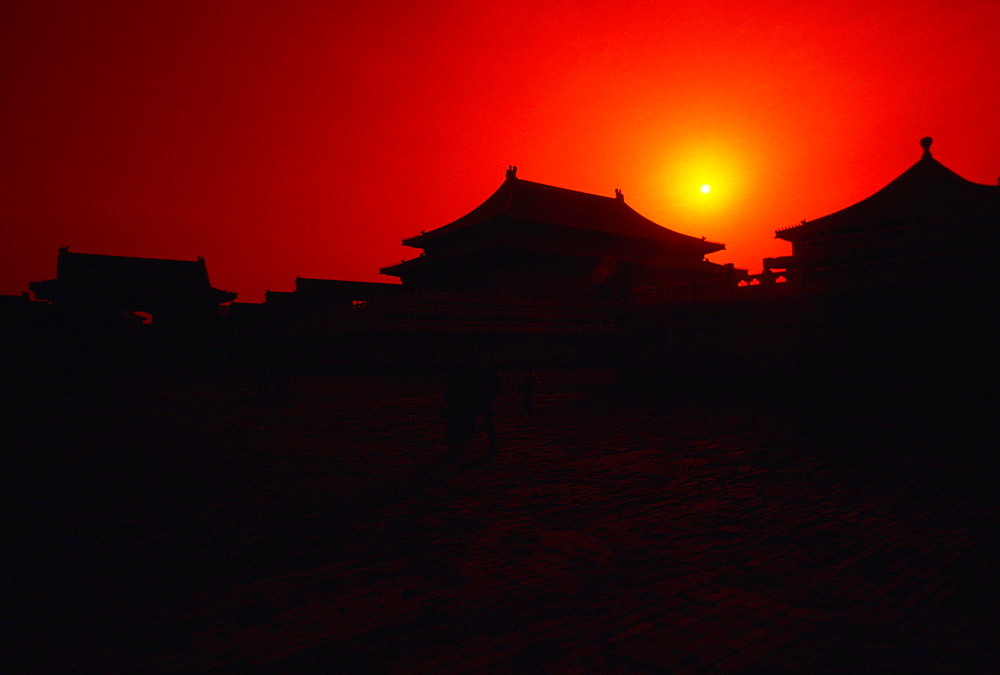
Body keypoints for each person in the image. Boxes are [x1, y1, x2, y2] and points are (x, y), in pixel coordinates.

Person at [442, 349, 503, 462]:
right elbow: (499, 377)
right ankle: (492, 442)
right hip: (481, 399)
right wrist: (493, 392)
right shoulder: (483, 369)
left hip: (472, 400)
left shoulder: (467, 370)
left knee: (471, 423)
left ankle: (462, 449)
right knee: (486, 422)